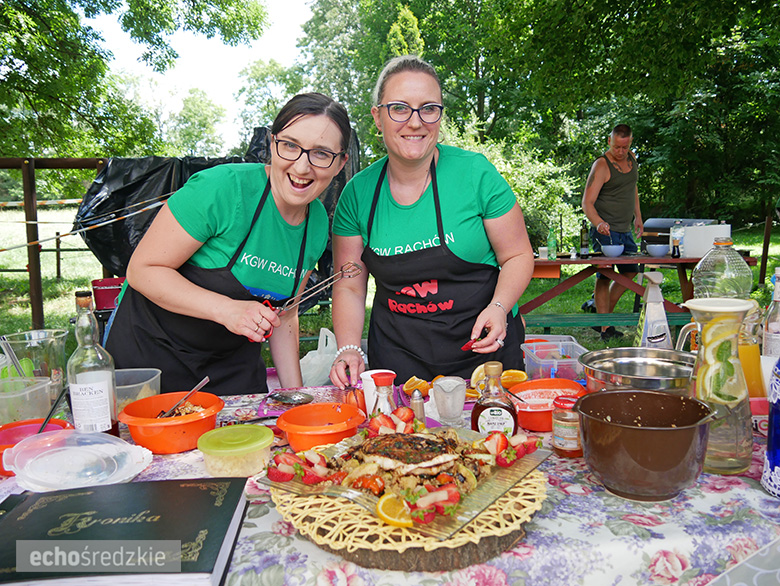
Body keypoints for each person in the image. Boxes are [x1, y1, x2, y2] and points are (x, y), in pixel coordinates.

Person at [105, 93, 351, 395]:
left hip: (231, 370)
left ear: (340, 163)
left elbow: (286, 315)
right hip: (151, 361)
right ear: (272, 144)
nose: (302, 168)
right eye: (290, 146)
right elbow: (143, 270)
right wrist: (227, 310)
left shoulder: (316, 224)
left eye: (322, 153)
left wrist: (295, 398)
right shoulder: (223, 189)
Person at [328, 55, 534, 388]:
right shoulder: (357, 194)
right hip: (399, 361)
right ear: (378, 118)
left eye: (428, 108)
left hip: (484, 354)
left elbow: (518, 256)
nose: (415, 122)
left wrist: (499, 307)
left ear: (439, 116)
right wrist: (349, 348)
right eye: (399, 108)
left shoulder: (475, 174)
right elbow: (350, 285)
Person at [581, 123, 644, 341]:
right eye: (617, 147)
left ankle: (602, 317)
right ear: (610, 141)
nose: (620, 152)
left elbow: (632, 188)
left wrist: (638, 216)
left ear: (630, 144)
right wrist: (598, 223)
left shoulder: (632, 159)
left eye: (624, 148)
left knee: (630, 272)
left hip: (625, 229)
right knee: (605, 275)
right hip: (605, 231)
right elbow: (587, 202)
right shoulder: (601, 165)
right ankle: (605, 326)